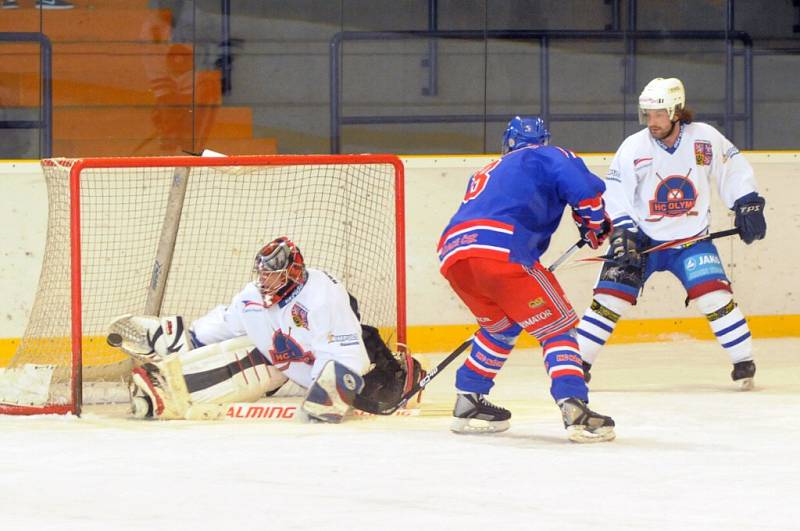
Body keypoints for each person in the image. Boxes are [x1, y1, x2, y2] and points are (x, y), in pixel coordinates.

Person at [575, 77, 767, 390]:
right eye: (647, 115)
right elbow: (615, 190)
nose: (652, 122)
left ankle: (743, 361)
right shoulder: (634, 147)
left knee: (715, 297)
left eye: (659, 114)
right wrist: (622, 231)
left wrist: (747, 203)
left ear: (676, 111)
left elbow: (731, 169)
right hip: (641, 242)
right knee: (610, 299)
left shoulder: (704, 139)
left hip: (691, 241)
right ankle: (577, 365)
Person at [437, 116, 616, 443]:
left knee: (500, 328)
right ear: (543, 139)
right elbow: (585, 189)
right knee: (557, 325)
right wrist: (593, 223)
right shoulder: (549, 155)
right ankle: (574, 406)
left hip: (454, 255)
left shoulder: (488, 169)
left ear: (507, 142)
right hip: (503, 251)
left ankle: (468, 400)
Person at [108, 236, 424, 422]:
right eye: (262, 275)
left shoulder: (322, 297)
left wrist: (326, 397)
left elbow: (344, 354)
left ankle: (402, 373)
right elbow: (228, 322)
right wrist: (185, 340)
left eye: (271, 276)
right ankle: (166, 388)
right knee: (244, 356)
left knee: (359, 390)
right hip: (288, 362)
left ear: (294, 273)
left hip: (336, 362)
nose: (264, 282)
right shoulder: (252, 296)